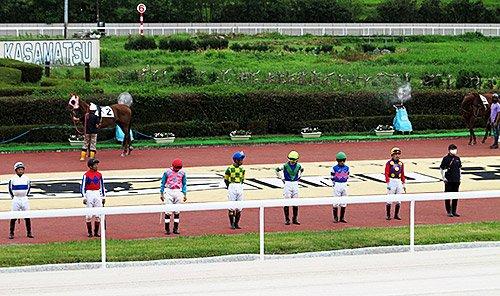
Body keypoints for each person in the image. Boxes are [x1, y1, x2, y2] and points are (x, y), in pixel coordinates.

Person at [275, 151, 304, 225]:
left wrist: (299, 177)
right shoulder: (284, 166)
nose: (292, 161)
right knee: (286, 201)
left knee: (295, 202)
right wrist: (281, 178)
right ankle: (287, 219)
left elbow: (302, 170)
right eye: (291, 159)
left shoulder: (299, 166)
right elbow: (276, 170)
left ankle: (295, 219)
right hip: (287, 183)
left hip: (295, 184)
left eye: (294, 159)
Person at [160, 158, 187, 235]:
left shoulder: (183, 173)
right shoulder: (167, 172)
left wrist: (184, 194)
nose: (177, 170)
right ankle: (167, 229)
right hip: (168, 191)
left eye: (179, 168)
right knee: (168, 211)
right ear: (172, 166)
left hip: (178, 192)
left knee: (177, 211)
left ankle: (175, 228)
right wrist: (161, 193)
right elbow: (163, 183)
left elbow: (184, 183)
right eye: (176, 168)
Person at [81, 158, 105, 237]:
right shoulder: (86, 175)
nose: (97, 166)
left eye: (97, 164)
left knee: (98, 214)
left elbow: (102, 186)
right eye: (95, 165)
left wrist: (103, 197)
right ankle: (90, 232)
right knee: (89, 215)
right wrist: (84, 197)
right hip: (89, 193)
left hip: (97, 193)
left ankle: (96, 232)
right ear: (90, 166)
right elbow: (83, 187)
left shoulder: (99, 175)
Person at [8, 162, 33, 239]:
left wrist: (24, 195)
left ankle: (29, 232)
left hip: (24, 198)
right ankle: (11, 233)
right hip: (16, 199)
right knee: (13, 216)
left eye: (22, 169)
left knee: (27, 216)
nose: (21, 171)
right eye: (19, 169)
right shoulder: (12, 179)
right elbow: (10, 189)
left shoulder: (27, 179)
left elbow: (29, 188)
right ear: (16, 170)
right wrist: (14, 197)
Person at [224, 151, 246, 230]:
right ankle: (232, 224)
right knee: (231, 207)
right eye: (241, 160)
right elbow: (226, 179)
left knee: (239, 207)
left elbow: (242, 179)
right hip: (232, 186)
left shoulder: (242, 169)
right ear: (236, 160)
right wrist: (229, 187)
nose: (242, 161)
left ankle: (236, 223)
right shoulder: (229, 169)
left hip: (239, 186)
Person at [440, 144, 462, 217]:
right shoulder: (446, 158)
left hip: (456, 180)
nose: (454, 151)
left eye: (455, 149)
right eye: (453, 149)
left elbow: (459, 169)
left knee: (455, 196)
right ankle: (448, 211)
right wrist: (444, 178)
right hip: (449, 180)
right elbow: (442, 168)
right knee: (448, 196)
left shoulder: (458, 158)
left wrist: (460, 178)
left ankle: (454, 211)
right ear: (449, 150)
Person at [384, 147, 406, 220]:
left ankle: (396, 215)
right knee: (390, 198)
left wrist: (403, 183)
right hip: (391, 181)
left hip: (399, 181)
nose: (397, 155)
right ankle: (388, 215)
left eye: (398, 154)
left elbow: (402, 174)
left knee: (399, 198)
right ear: (392, 155)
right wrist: (388, 182)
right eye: (395, 154)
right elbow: (386, 173)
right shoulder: (389, 163)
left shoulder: (401, 163)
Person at [331, 152, 349, 223]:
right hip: (337, 184)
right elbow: (332, 177)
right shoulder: (334, 168)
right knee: (336, 201)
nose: (342, 162)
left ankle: (342, 217)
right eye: (340, 160)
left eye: (343, 160)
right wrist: (334, 184)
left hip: (344, 184)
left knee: (344, 201)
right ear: (337, 160)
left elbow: (348, 176)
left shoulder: (347, 168)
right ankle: (335, 217)